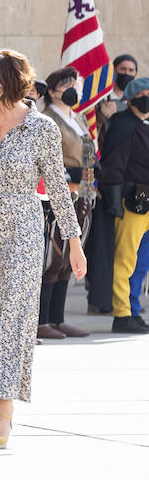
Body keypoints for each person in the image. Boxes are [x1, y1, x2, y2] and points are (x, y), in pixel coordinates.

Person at [0, 49, 84, 449]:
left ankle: (4, 414)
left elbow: (58, 190)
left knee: (13, 318)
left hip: (23, 231)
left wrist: (74, 244)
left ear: (10, 81)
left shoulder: (42, 129)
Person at [37, 67, 95, 338]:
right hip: (59, 193)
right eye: (65, 84)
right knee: (53, 258)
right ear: (52, 91)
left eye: (75, 83)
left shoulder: (79, 117)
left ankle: (58, 319)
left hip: (84, 194)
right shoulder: (48, 119)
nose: (72, 88)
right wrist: (72, 173)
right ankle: (42, 320)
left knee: (69, 261)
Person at [98, 74, 149, 334]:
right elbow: (112, 168)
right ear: (130, 99)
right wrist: (115, 202)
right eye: (143, 95)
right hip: (132, 203)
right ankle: (122, 314)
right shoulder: (122, 124)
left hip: (145, 205)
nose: (147, 99)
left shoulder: (145, 124)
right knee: (125, 261)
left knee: (141, 264)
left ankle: (134, 310)